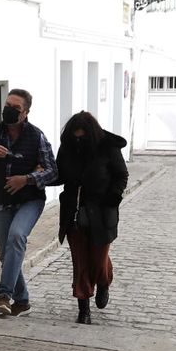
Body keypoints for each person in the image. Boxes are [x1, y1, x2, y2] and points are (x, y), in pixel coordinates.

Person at [0, 88, 58, 316]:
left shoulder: (37, 136)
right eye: (8, 105)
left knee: (16, 237)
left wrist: (26, 179)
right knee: (6, 255)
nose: (9, 110)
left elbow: (53, 171)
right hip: (3, 204)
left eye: (16, 108)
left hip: (30, 201)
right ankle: (22, 300)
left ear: (25, 113)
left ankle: (3, 294)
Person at [53, 111, 128, 324]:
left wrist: (113, 197)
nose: (78, 140)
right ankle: (83, 307)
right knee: (80, 262)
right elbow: (59, 175)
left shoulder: (107, 147)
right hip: (73, 214)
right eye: (75, 136)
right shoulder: (67, 148)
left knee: (98, 258)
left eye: (82, 137)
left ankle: (103, 282)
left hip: (101, 213)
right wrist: (39, 176)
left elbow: (121, 175)